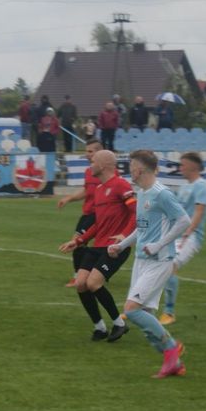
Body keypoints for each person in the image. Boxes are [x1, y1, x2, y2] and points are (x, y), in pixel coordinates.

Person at [108, 150, 189, 378]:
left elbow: (184, 220)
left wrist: (159, 244)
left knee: (131, 310)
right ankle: (174, 362)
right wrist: (122, 245)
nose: (128, 170)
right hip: (141, 261)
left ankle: (172, 347)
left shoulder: (162, 194)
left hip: (159, 260)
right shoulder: (142, 192)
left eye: (131, 166)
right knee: (146, 323)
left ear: (139, 169)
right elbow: (141, 229)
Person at [58, 150, 133, 342]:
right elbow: (98, 224)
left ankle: (119, 324)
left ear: (103, 165)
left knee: (93, 283)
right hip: (98, 245)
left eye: (93, 162)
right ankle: (99, 327)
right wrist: (78, 241)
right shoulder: (99, 190)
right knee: (81, 284)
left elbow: (137, 212)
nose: (90, 165)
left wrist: (124, 236)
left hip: (115, 247)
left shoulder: (121, 185)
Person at [159, 152, 206, 326]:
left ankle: (169, 312)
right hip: (176, 234)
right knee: (158, 265)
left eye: (183, 165)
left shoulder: (201, 186)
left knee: (170, 266)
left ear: (193, 166)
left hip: (191, 237)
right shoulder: (184, 187)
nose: (180, 168)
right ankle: (141, 307)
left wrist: (189, 232)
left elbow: (199, 211)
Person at [57, 139, 103, 286]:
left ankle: (79, 277)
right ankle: (91, 273)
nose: (87, 154)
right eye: (87, 151)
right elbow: (86, 191)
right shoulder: (89, 172)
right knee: (83, 244)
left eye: (90, 151)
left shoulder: (108, 172)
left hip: (99, 214)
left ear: (99, 153)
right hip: (87, 213)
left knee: (77, 241)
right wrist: (69, 198)